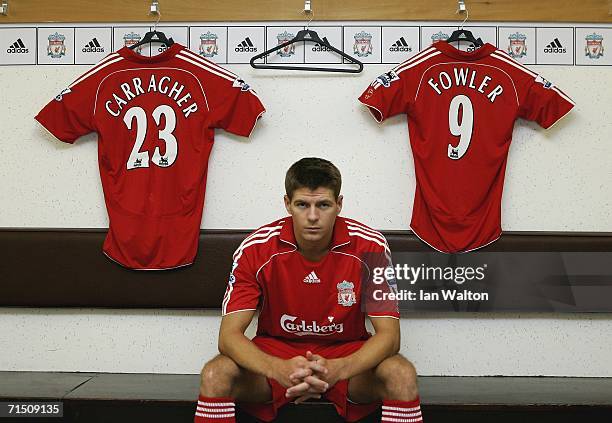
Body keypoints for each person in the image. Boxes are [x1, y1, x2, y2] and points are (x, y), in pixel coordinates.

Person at [194, 158, 422, 423]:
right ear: (288, 204)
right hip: (277, 351)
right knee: (215, 374)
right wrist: (278, 368)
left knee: (401, 375)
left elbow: (390, 337)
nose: (313, 216)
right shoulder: (256, 248)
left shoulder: (370, 245)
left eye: (323, 205)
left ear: (339, 204)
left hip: (345, 352)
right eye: (303, 204)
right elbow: (229, 337)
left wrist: (339, 368)